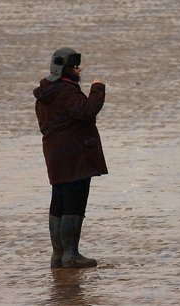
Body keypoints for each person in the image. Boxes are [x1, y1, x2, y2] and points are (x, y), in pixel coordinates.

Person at [33, 47, 108, 268]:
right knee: (74, 204)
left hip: (55, 156)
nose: (80, 69)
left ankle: (58, 255)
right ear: (68, 70)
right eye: (76, 66)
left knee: (59, 203)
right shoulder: (66, 91)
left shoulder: (45, 93)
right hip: (75, 157)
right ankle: (71, 255)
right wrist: (97, 88)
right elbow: (86, 110)